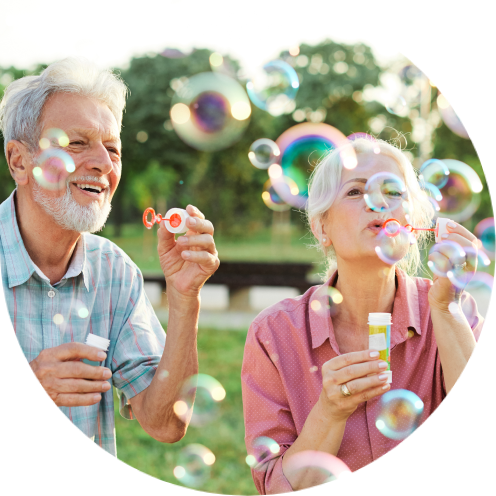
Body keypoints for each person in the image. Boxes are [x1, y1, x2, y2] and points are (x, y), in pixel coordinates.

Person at [0, 57, 220, 458]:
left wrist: (185, 297)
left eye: (113, 148)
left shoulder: (114, 271)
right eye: (77, 143)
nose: (103, 163)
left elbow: (166, 423)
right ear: (19, 161)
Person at [241, 136, 483, 494]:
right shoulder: (273, 334)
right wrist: (330, 411)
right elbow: (276, 487)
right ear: (322, 228)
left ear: (412, 224)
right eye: (355, 192)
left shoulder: (452, 310)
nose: (379, 203)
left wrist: (446, 309)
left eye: (394, 192)